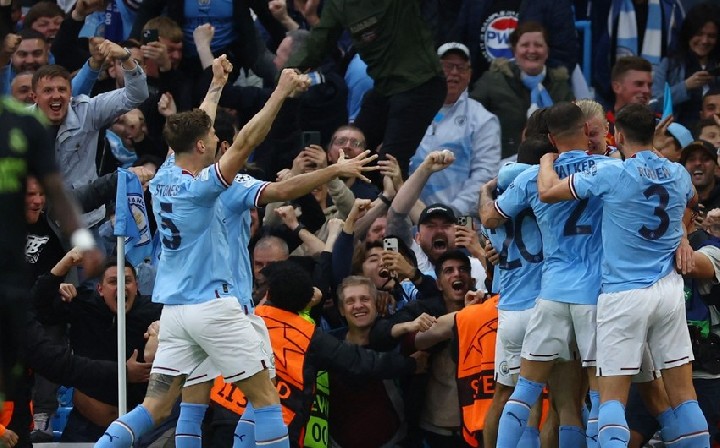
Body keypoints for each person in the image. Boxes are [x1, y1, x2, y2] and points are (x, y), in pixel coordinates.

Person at [93, 58, 310, 448]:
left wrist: (216, 85)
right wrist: (280, 93)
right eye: (210, 137)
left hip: (176, 310)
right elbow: (246, 142)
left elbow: (198, 125)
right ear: (200, 145)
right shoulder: (203, 186)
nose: (214, 139)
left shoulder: (165, 174)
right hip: (215, 305)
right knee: (266, 399)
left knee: (158, 407)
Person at [536, 102, 709, 447]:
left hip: (624, 294)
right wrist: (681, 236)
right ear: (654, 134)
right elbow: (691, 201)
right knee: (683, 394)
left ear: (618, 135)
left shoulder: (613, 173)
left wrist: (545, 160)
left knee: (612, 399)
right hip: (669, 292)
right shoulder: (678, 173)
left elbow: (548, 193)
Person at [479, 102, 608, 447]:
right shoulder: (609, 169)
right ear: (586, 130)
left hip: (543, 298)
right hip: (592, 297)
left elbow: (490, 218)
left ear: (552, 138)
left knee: (520, 395)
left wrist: (484, 195)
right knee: (581, 402)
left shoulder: (527, 178)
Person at [209, 266, 424, 448]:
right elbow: (362, 362)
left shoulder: (246, 319)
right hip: (276, 429)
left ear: (270, 294)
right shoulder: (310, 337)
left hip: (223, 415)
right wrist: (411, 363)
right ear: (306, 301)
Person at [286, 0, 447, 178]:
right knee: (350, 153)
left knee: (390, 162)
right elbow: (318, 43)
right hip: (384, 87)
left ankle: (394, 195)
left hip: (421, 84)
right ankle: (345, 195)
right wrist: (287, 74)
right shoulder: (339, 4)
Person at [32, 257, 161, 442]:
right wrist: (62, 270)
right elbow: (39, 307)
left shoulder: (153, 312)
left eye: (127, 281)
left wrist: (159, 331)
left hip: (140, 428)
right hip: (85, 426)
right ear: (100, 289)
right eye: (113, 282)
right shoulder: (84, 304)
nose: (121, 287)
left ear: (137, 286)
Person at [31, 40, 148, 227]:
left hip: (86, 221)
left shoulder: (88, 111)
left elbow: (137, 95)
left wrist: (126, 57)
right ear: (34, 97)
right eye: (48, 91)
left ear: (71, 94)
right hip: (37, 220)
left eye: (62, 89)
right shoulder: (21, 124)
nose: (56, 95)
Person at [479, 162, 544, 447]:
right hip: (543, 306)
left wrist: (485, 191)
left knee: (506, 395)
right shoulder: (546, 209)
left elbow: (488, 222)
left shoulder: (491, 220)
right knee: (557, 399)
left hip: (510, 312)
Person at [409, 42, 501, 217]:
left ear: (469, 74)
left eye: (461, 67)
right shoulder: (410, 112)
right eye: (447, 66)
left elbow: (485, 174)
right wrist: (409, 206)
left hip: (460, 218)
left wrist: (451, 213)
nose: (454, 73)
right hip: (409, 213)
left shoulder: (483, 119)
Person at [471, 21, 574, 164]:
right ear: (514, 50)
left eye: (538, 45)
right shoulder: (492, 81)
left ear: (547, 50)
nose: (531, 51)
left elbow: (573, 129)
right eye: (525, 45)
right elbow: (471, 119)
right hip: (499, 166)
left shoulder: (560, 86)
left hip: (554, 165)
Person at [652, 3, 720, 130]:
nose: (704, 41)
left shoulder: (716, 65)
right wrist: (685, 86)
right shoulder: (670, 64)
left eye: (711, 36)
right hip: (678, 135)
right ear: (689, 33)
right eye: (699, 34)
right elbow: (654, 104)